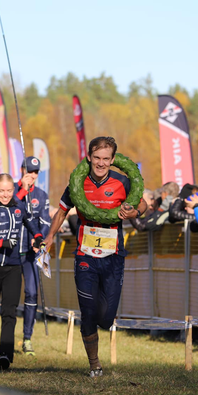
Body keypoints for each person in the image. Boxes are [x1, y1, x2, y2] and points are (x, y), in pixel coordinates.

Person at [43, 136, 146, 377]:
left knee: (106, 318)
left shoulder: (122, 181)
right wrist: (49, 237)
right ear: (89, 157)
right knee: (88, 311)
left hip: (113, 255)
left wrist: (133, 211)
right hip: (85, 254)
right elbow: (61, 211)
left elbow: (144, 206)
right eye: (96, 158)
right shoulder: (77, 183)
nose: (100, 163)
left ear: (113, 160)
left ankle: (101, 328)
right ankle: (94, 363)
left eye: (105, 159)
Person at [0, 174, 43, 370]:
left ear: (14, 189)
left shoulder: (19, 206)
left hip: (13, 266)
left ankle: (5, 355)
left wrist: (37, 236)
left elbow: (31, 222)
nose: (5, 195)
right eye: (1, 190)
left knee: (9, 311)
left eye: (9, 191)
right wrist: (0, 243)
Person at [13, 157, 50, 356]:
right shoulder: (10, 188)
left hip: (30, 253)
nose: (32, 175)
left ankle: (27, 338)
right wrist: (21, 190)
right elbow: (10, 208)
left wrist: (39, 240)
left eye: (36, 172)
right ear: (21, 170)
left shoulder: (42, 195)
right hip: (10, 251)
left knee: (31, 293)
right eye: (29, 170)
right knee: (7, 296)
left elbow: (45, 221)